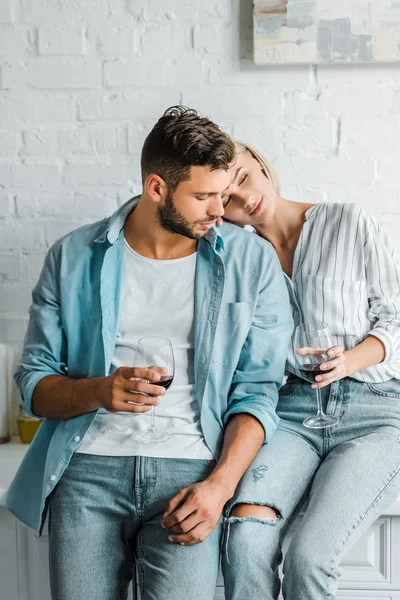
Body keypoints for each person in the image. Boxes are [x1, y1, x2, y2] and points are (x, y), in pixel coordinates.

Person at [5, 109, 293, 600]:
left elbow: (259, 392)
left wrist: (219, 487)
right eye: (203, 197)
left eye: (223, 195)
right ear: (157, 188)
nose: (219, 212)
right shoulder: (73, 256)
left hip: (191, 477)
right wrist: (100, 391)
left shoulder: (251, 261)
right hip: (87, 474)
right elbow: (34, 385)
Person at [219, 141, 400, 600]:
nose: (244, 199)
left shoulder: (348, 221)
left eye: (242, 179)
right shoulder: (237, 259)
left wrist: (351, 359)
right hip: (292, 413)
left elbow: (395, 316)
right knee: (244, 541)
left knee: (308, 556)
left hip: (374, 412)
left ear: (259, 164)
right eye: (225, 199)